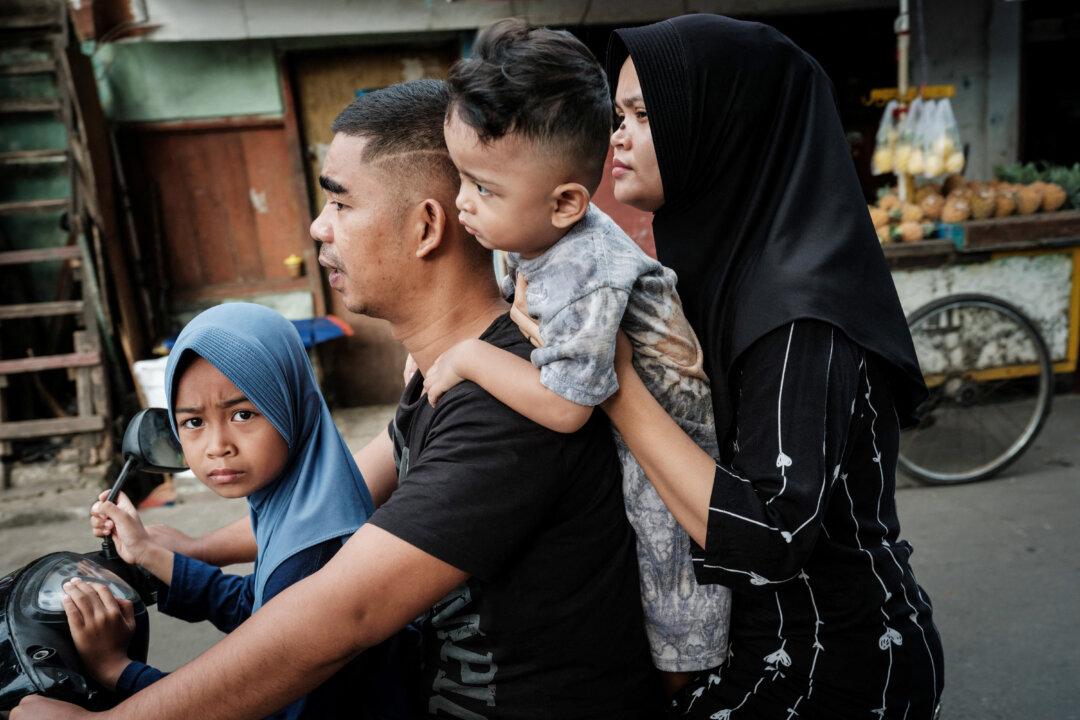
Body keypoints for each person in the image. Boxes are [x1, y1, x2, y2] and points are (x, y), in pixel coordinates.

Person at [14, 79, 661, 720]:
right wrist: (186, 548)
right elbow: (344, 487)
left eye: (341, 205)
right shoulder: (447, 374)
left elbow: (339, 614)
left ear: (426, 226)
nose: (320, 229)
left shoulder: (506, 405)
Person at [590, 14, 945, 719]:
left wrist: (613, 381)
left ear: (724, 126)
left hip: (830, 670)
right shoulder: (721, 269)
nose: (617, 137)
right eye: (616, 114)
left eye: (642, 114)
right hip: (763, 648)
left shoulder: (796, 312)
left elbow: (771, 532)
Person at [424, 18, 729, 691]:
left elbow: (565, 408)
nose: (461, 203)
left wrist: (467, 358)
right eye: (462, 178)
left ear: (566, 202)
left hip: (668, 457)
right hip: (617, 436)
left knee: (673, 605)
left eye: (483, 189)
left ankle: (692, 693)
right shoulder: (535, 232)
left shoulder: (591, 268)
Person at [63, 302, 411, 719]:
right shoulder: (301, 506)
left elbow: (260, 701)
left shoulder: (315, 553)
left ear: (291, 407)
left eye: (243, 414)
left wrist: (117, 670)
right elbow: (262, 608)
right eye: (193, 423)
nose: (217, 446)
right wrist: (152, 555)